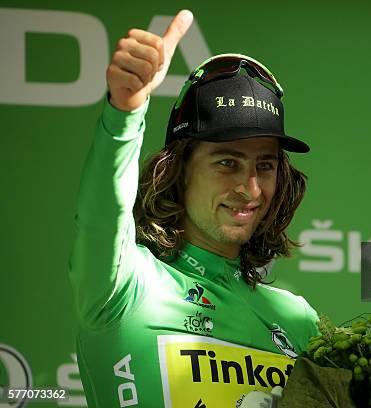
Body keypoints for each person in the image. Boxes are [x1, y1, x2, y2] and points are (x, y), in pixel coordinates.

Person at [68, 9, 319, 407]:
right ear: (181, 170)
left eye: (265, 165)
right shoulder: (124, 285)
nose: (250, 187)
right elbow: (102, 215)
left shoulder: (299, 321)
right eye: (227, 162)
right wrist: (125, 112)